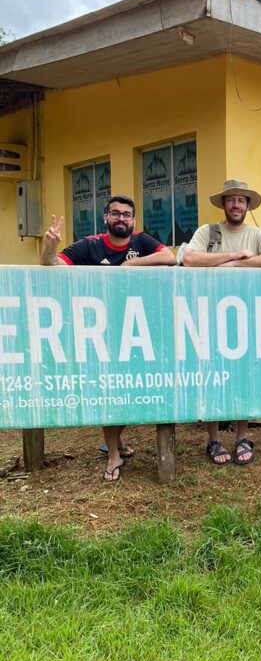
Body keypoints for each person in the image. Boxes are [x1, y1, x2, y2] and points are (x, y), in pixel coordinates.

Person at [39, 196, 175, 482]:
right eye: (115, 213)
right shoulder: (89, 245)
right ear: (105, 218)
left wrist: (130, 266)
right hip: (100, 333)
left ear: (133, 220)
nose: (121, 218)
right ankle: (113, 454)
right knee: (110, 392)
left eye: (127, 214)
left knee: (135, 391)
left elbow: (169, 257)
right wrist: (49, 247)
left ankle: (118, 441)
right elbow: (52, 264)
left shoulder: (142, 242)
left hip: (136, 331)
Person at [183, 178, 261, 466]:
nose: (236, 205)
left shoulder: (257, 234)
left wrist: (235, 265)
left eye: (241, 200)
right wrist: (234, 254)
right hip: (209, 313)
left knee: (243, 376)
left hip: (246, 313)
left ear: (248, 206)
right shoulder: (208, 231)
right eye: (231, 199)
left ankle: (242, 437)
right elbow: (189, 258)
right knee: (211, 374)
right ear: (223, 204)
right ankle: (213, 439)